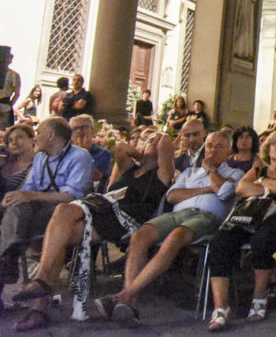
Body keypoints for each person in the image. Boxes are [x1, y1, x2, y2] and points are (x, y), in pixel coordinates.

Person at [12, 130, 173, 330]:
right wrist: (141, 154)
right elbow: (121, 148)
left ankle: (41, 288)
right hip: (102, 210)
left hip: (127, 219)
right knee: (60, 231)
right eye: (147, 139)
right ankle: (40, 303)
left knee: (63, 211)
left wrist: (154, 143)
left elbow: (164, 141)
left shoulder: (162, 173)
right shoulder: (130, 168)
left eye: (154, 140)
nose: (151, 141)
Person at [94, 131, 244, 327]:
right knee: (140, 235)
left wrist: (211, 172)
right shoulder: (190, 172)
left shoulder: (235, 173)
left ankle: (124, 296)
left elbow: (224, 193)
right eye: (209, 146)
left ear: (229, 152)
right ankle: (130, 301)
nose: (212, 150)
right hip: (176, 214)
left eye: (219, 146)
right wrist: (208, 189)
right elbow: (172, 196)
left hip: (206, 217)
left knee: (176, 236)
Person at [207, 130, 276, 329]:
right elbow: (241, 188)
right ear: (268, 147)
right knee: (220, 240)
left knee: (262, 240)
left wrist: (261, 185)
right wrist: (271, 186)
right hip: (251, 213)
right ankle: (221, 307)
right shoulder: (258, 170)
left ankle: (259, 297)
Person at [0, 118, 92, 297]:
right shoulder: (41, 157)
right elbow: (29, 188)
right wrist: (15, 197)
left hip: (65, 211)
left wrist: (30, 196)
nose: (36, 137)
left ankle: (9, 257)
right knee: (14, 208)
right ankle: (8, 257)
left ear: (51, 136)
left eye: (39, 133)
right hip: (37, 207)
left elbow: (71, 196)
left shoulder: (80, 157)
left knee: (15, 220)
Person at [70, 115, 112, 193]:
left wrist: (83, 152)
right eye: (75, 129)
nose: (79, 131)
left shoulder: (103, 154)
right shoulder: (65, 153)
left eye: (83, 127)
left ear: (93, 130)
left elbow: (95, 177)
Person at [0, 125, 35, 200]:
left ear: (32, 140)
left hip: (15, 206)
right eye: (10, 140)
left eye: (20, 137)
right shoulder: (5, 160)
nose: (14, 142)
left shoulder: (38, 164)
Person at [0, 53, 21, 129]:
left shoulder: (14, 75)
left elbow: (17, 93)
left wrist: (10, 104)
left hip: (5, 105)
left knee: (3, 130)